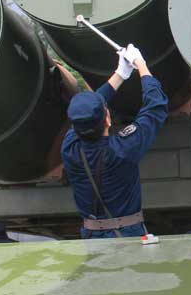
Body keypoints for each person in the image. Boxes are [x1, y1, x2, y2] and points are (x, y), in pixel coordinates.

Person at [61, 45, 168, 238]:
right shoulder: (122, 151)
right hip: (127, 235)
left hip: (91, 236)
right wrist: (140, 64)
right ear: (108, 120)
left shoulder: (69, 149)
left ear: (75, 127)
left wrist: (120, 74)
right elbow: (155, 107)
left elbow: (87, 111)